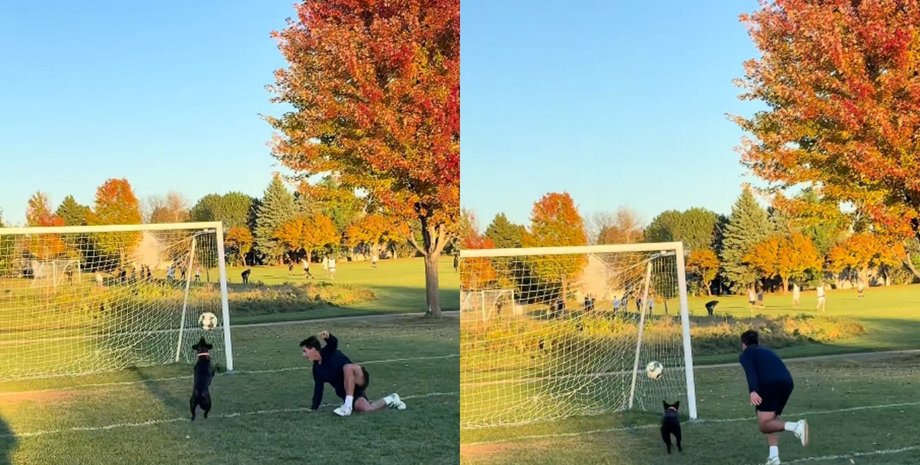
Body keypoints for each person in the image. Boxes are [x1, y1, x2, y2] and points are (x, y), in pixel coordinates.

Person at [739, 330, 809, 465]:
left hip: (769, 386)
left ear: (743, 344)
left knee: (764, 426)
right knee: (772, 421)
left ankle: (796, 427)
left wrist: (753, 390)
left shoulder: (746, 354)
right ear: (758, 342)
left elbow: (750, 373)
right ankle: (774, 457)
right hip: (787, 383)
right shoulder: (767, 351)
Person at [300, 331, 406, 416]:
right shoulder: (316, 369)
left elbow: (333, 343)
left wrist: (328, 336)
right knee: (366, 409)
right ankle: (392, 398)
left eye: (305, 351)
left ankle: (347, 407)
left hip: (358, 378)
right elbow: (318, 389)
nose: (303, 355)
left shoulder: (328, 351)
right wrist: (314, 408)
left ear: (313, 349)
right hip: (348, 391)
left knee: (348, 367)